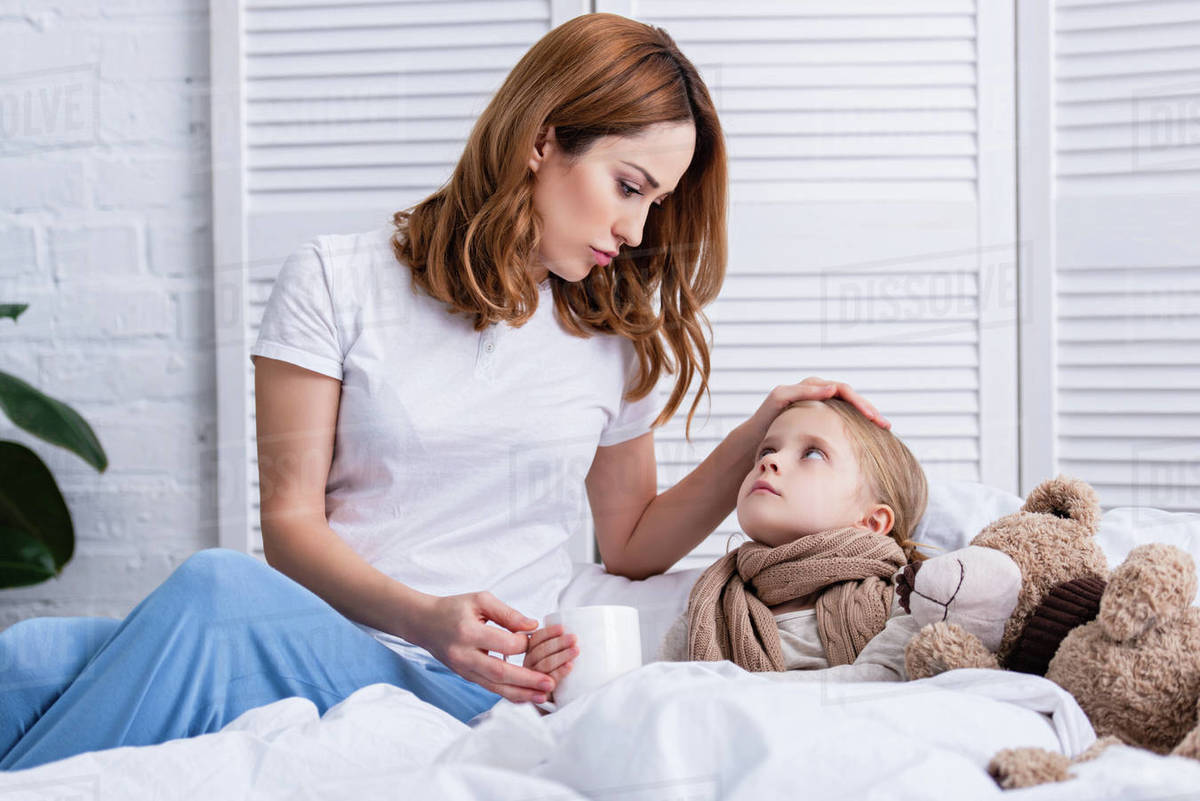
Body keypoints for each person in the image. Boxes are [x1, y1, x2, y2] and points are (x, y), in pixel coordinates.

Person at [0, 13, 890, 772]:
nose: (635, 227)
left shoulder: (609, 336)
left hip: (473, 684)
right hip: (350, 634)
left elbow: (628, 542)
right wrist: (427, 618)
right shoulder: (334, 279)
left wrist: (761, 427)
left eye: (655, 202)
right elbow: (291, 524)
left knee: (210, 590)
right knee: (24, 659)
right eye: (627, 186)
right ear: (543, 137)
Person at [650, 397, 929, 683]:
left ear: (871, 522)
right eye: (766, 451)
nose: (770, 460)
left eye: (813, 454)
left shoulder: (908, 600)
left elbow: (893, 685)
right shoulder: (707, 612)